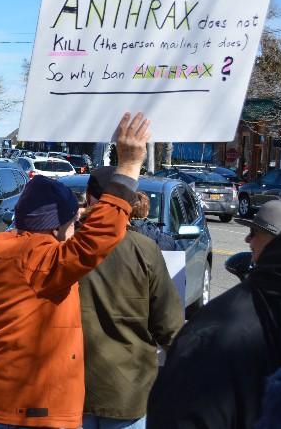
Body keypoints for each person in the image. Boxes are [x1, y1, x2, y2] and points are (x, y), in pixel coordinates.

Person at [0, 112, 150, 429]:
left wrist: (75, 212)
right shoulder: (41, 261)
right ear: (60, 229)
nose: (79, 227)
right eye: (75, 223)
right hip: (30, 415)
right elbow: (98, 239)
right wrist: (129, 167)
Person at [147, 199, 281, 428]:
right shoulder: (217, 329)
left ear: (278, 241)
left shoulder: (218, 330)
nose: (247, 239)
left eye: (254, 232)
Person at [79, 167, 184, 429]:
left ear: (90, 199)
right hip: (128, 390)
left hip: (72, 389)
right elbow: (170, 326)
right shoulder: (145, 249)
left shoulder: (68, 247)